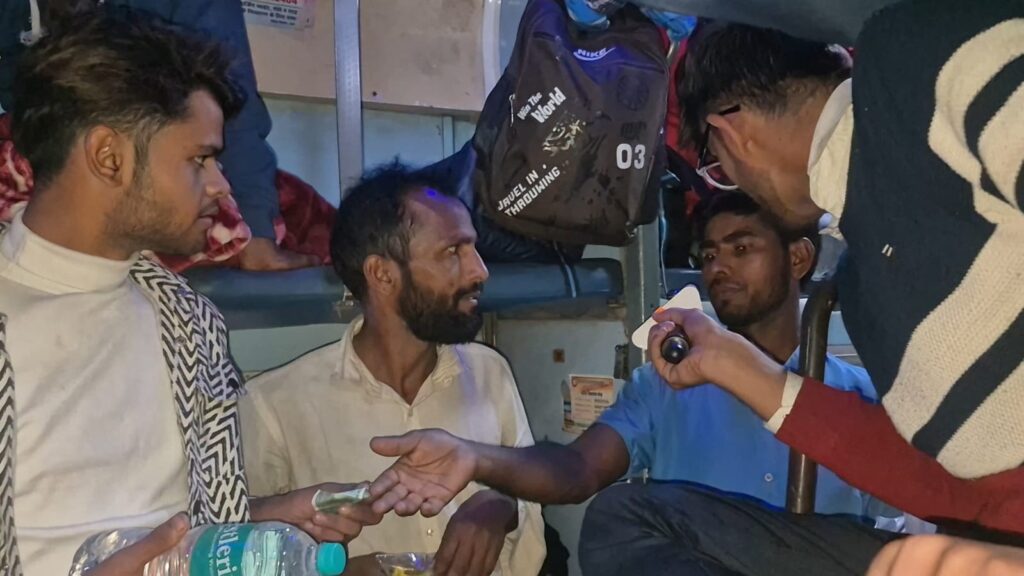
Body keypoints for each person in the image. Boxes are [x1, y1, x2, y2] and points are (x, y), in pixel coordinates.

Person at [0, 10, 378, 576]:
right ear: (109, 157)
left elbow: (171, 526)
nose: (222, 185)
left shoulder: (187, 322)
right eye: (199, 159)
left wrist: (270, 516)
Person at [353, 191, 902, 575]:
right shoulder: (663, 386)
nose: (718, 269)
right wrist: (475, 458)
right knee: (615, 517)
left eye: (741, 249)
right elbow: (577, 471)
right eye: (709, 255)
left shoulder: (859, 398)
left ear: (799, 257)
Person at [239, 163, 546, 576]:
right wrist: (341, 572)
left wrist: (499, 506)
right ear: (382, 274)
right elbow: (234, 550)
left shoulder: (490, 372)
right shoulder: (275, 405)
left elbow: (533, 506)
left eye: (473, 248)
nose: (480, 270)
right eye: (452, 252)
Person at [0, 0, 320, 270]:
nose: (218, 185)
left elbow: (231, 111)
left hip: (151, 169)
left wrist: (256, 232)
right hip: (49, 167)